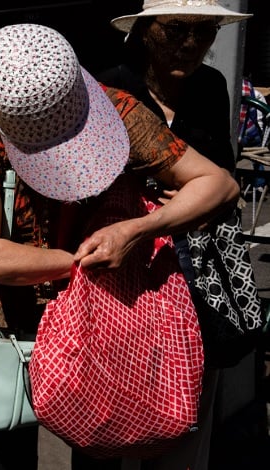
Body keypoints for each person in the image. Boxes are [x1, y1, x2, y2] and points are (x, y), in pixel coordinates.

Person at [0, 23, 239, 470]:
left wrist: (138, 230)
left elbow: (218, 183)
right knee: (9, 447)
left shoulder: (118, 111)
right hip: (16, 320)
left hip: (103, 319)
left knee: (98, 445)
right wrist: (81, 262)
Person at [97, 1, 260, 468]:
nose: (190, 45)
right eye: (176, 30)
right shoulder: (111, 87)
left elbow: (222, 175)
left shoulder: (211, 86)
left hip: (200, 269)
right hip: (130, 269)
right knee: (122, 394)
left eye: (204, 32)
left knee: (192, 398)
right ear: (145, 31)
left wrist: (202, 201)